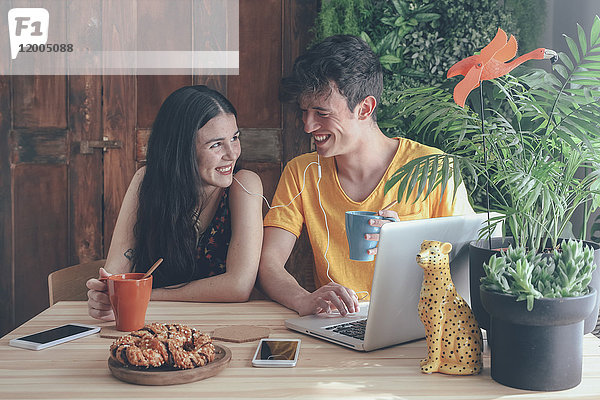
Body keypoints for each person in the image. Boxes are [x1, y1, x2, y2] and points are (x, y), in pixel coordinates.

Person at [258, 35, 474, 317]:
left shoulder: (433, 167)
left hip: (418, 323)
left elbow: (469, 259)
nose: (308, 126)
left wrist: (406, 244)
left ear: (365, 108)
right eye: (304, 112)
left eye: (321, 113)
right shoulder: (302, 172)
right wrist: (303, 300)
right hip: (337, 325)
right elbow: (269, 264)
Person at [87, 85, 264, 321]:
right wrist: (105, 295)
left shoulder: (244, 185)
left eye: (235, 138)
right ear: (182, 149)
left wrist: (142, 294)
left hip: (227, 322)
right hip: (157, 325)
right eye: (216, 144)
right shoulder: (146, 180)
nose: (233, 154)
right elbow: (115, 273)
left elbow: (238, 286)